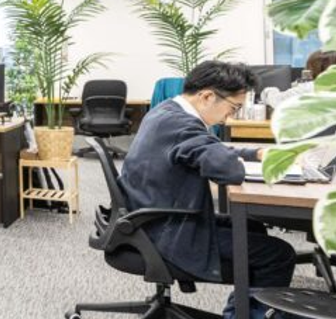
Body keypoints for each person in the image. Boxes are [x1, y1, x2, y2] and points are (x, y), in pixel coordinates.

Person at [121, 60, 294, 289]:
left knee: (252, 228)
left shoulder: (167, 111)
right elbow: (229, 171)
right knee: (279, 254)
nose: (231, 116)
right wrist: (240, 162)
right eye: (234, 107)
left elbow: (207, 147)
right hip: (168, 232)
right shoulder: (182, 125)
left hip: (152, 217)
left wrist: (255, 153)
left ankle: (245, 305)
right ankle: (247, 312)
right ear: (207, 97)